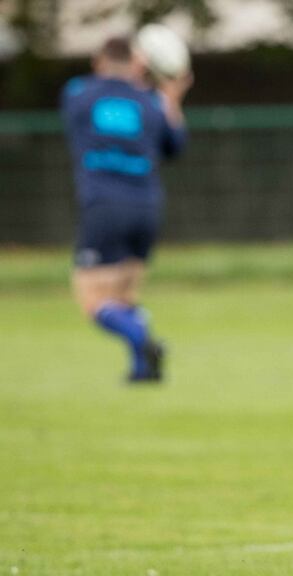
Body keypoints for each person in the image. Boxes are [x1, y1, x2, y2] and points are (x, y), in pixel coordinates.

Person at [60, 36, 192, 382]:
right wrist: (172, 99)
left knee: (92, 298)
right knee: (126, 294)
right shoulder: (150, 101)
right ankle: (142, 369)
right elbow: (175, 146)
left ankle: (142, 340)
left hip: (103, 203)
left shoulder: (78, 93)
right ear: (137, 63)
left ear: (98, 61)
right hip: (147, 204)